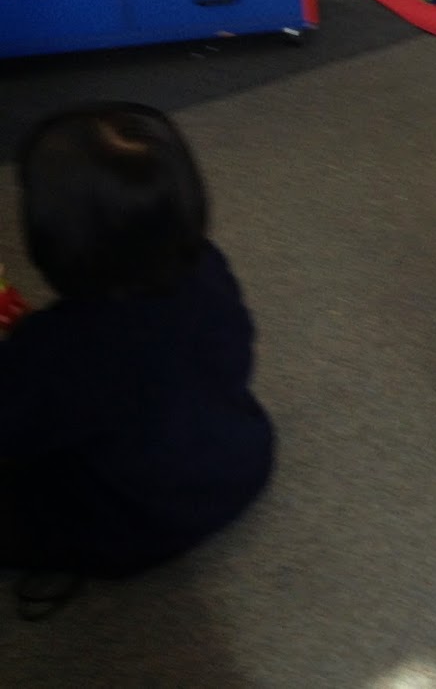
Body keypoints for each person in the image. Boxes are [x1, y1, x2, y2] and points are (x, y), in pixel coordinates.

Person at [0, 103, 273, 588]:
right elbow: (234, 352)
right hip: (240, 461)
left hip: (132, 523)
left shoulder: (60, 349)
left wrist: (22, 348)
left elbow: (15, 428)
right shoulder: (208, 265)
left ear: (56, 243)